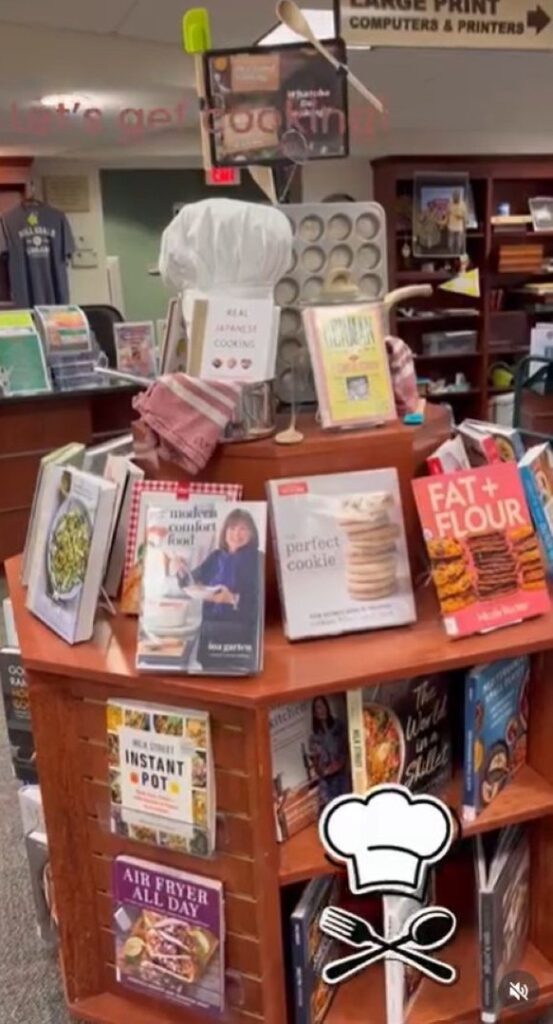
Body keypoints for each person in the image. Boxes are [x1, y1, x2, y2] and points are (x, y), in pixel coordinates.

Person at [175, 508, 261, 671]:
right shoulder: (216, 556)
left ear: (252, 534)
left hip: (239, 631)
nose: (237, 534)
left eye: (243, 529)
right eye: (232, 528)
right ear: (225, 532)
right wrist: (181, 571)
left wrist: (233, 599)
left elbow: (258, 604)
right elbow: (191, 581)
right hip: (208, 627)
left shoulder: (257, 559)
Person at [308, 697, 349, 808]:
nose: (321, 709)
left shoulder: (338, 726)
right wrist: (324, 770)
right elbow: (316, 767)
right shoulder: (314, 738)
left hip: (343, 777)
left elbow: (347, 748)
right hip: (327, 783)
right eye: (318, 707)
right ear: (314, 713)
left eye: (323, 705)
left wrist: (339, 764)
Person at [446, 189, 467, 256]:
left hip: (459, 227)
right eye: (455, 196)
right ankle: (450, 253)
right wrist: (445, 222)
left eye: (457, 196)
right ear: (453, 196)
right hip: (451, 226)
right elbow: (447, 214)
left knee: (458, 241)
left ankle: (458, 253)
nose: (456, 197)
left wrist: (460, 216)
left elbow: (464, 215)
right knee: (451, 241)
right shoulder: (450, 204)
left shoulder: (463, 204)